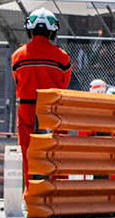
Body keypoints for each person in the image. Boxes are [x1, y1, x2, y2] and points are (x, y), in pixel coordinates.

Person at [10, 9, 71, 152]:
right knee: (57, 148)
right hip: (53, 108)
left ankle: (29, 174)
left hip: (27, 108)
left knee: (27, 149)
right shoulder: (62, 56)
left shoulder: (18, 55)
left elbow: (17, 81)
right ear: (52, 31)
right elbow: (65, 83)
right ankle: (57, 175)